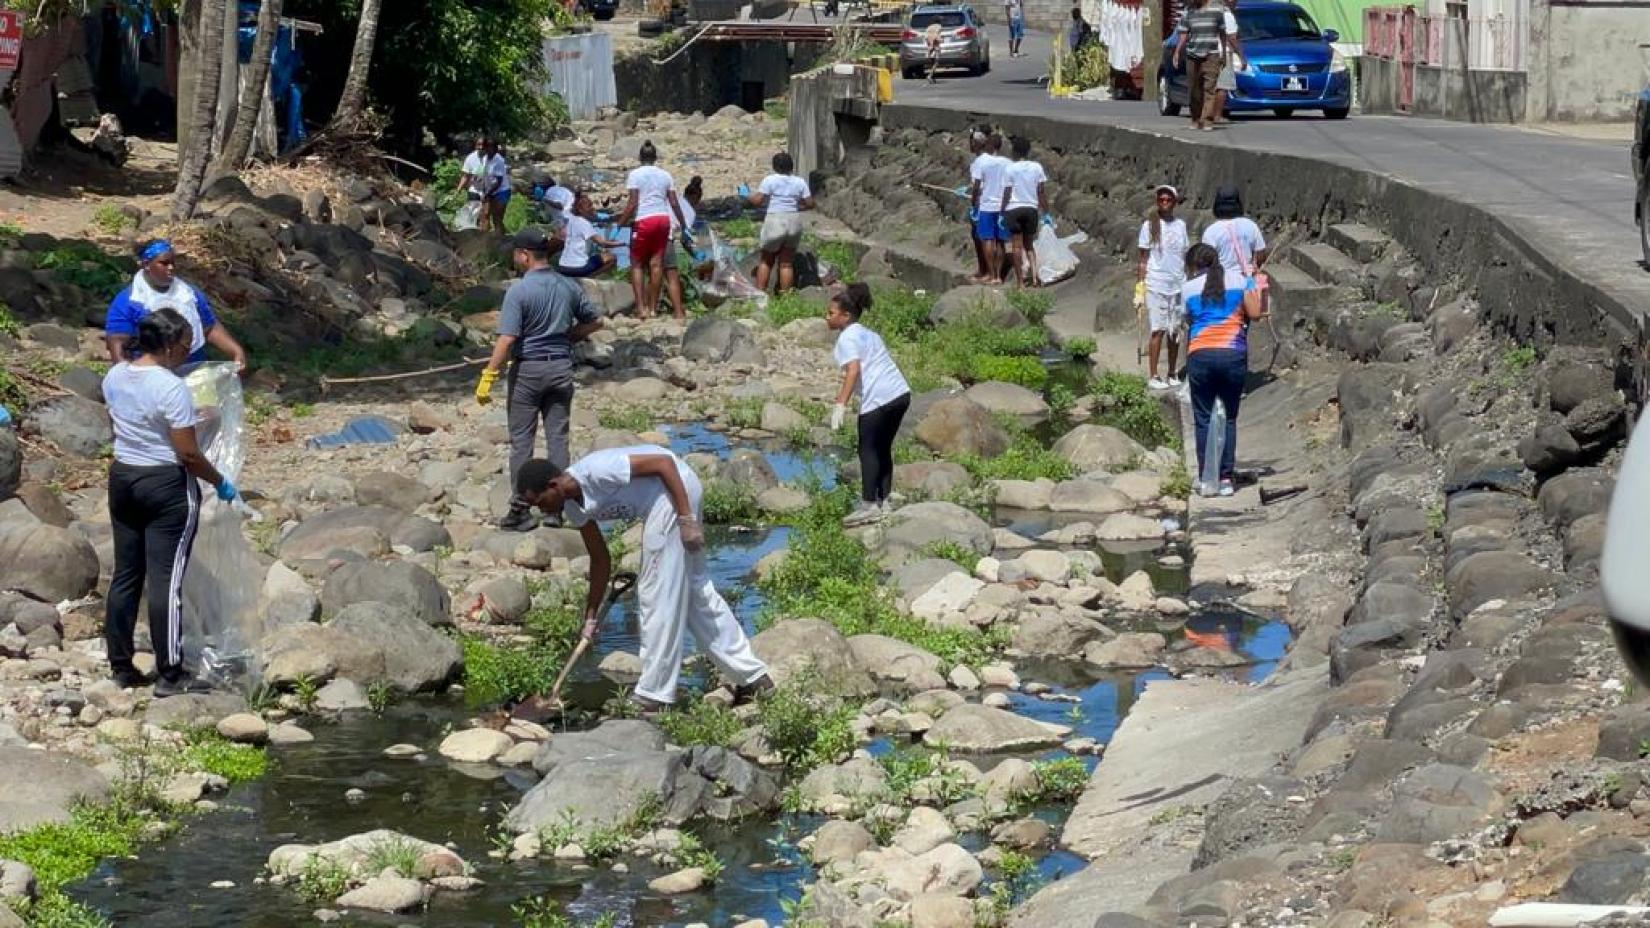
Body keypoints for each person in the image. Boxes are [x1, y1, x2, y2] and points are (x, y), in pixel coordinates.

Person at [515, 449, 773, 713]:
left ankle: (654, 693)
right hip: (665, 501)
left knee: (656, 591)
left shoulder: (596, 471)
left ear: (553, 486)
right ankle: (753, 678)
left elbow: (664, 463)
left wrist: (686, 519)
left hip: (673, 492)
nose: (539, 509)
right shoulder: (571, 505)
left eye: (539, 501)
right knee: (696, 593)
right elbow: (600, 558)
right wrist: (590, 615)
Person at [103, 308, 241, 696]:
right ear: (166, 345)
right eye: (184, 344)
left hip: (124, 477)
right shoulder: (171, 387)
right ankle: (171, 674)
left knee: (127, 573)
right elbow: (188, 454)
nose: (187, 351)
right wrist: (221, 482)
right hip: (165, 485)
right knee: (167, 578)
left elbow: (124, 423)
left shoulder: (115, 375)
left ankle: (121, 665)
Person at [476, 228, 605, 532]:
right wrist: (566, 337)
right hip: (560, 368)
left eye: (515, 253)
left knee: (522, 442)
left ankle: (520, 510)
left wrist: (488, 374)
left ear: (523, 255)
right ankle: (555, 508)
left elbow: (507, 338)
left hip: (528, 371)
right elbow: (596, 320)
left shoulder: (519, 291)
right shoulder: (567, 285)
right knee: (558, 439)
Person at [1182, 242, 1263, 497]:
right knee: (1228, 417)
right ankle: (1226, 478)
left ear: (1193, 266)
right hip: (1233, 355)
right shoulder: (1241, 281)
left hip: (1200, 354)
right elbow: (1256, 313)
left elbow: (1187, 319)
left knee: (1203, 418)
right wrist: (1252, 283)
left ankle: (1207, 478)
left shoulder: (1187, 288)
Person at [827, 283, 912, 527]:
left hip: (879, 397)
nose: (827, 317)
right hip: (900, 394)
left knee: (867, 449)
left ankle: (868, 506)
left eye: (831, 313)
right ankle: (884, 501)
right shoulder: (869, 334)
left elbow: (853, 371)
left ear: (846, 316)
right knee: (883, 447)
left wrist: (840, 404)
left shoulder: (847, 338)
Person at [106, 239, 247, 375]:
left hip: (194, 370)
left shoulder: (189, 294)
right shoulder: (128, 302)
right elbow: (117, 341)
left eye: (173, 263)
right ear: (146, 264)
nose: (171, 268)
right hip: (152, 376)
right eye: (164, 263)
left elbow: (209, 326)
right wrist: (128, 377)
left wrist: (235, 351)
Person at [617, 141, 690, 321]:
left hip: (644, 220)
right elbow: (673, 202)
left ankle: (641, 308)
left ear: (640, 158)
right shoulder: (666, 175)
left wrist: (620, 223)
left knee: (636, 263)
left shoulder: (635, 174)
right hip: (663, 220)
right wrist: (684, 224)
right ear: (655, 158)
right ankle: (653, 308)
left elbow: (633, 202)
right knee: (657, 264)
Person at [1136, 184, 1190, 389]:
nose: (1164, 202)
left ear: (1174, 202)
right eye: (1161, 199)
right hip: (1155, 283)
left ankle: (1172, 371)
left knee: (1174, 330)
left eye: (1168, 199)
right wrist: (1140, 286)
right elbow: (1143, 258)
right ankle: (1153, 375)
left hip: (1177, 283)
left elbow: (1184, 254)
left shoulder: (1181, 226)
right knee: (1157, 330)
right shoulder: (1149, 226)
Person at [746, 152, 814, 294]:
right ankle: (786, 297)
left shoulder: (770, 180)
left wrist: (746, 195)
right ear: (791, 166)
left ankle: (760, 294)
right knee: (786, 264)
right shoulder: (800, 182)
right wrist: (797, 206)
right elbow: (810, 203)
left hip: (775, 220)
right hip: (793, 221)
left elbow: (758, 201)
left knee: (766, 261)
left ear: (774, 166)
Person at [1172, 0, 1240, 131]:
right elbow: (1183, 33)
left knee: (1210, 88)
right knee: (1194, 89)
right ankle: (1196, 119)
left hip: (1211, 55)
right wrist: (1177, 51)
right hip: (1192, 55)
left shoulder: (1217, 10)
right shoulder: (1188, 11)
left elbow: (1222, 33)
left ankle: (1207, 120)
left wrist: (1224, 55)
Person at [997, 135, 1048, 288]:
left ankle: (1020, 282)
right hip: (1031, 209)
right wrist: (1046, 212)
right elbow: (1041, 192)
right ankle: (1034, 278)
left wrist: (1001, 211)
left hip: (1014, 209)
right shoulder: (1037, 167)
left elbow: (1007, 192)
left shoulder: (1010, 168)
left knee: (1016, 247)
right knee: (1030, 246)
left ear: (1014, 151)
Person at [659, 175, 703, 324]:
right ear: (697, 197)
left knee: (654, 270)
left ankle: (650, 306)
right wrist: (695, 253)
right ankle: (678, 311)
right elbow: (685, 239)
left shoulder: (675, 198)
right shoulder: (690, 212)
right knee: (672, 274)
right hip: (665, 237)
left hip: (650, 230)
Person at [969, 131, 1010, 284]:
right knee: (1000, 241)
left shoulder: (982, 163)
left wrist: (973, 203)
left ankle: (991, 274)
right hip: (1002, 206)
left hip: (986, 205)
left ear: (989, 145)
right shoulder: (1007, 163)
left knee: (987, 240)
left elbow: (977, 186)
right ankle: (999, 276)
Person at [557, 192, 622, 279]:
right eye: (589, 206)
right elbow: (603, 243)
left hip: (562, 266)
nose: (592, 208)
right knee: (612, 258)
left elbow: (561, 235)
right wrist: (623, 244)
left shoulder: (569, 220)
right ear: (580, 209)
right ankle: (590, 277)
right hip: (578, 268)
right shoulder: (584, 223)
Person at [460, 137, 491, 230]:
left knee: (485, 215)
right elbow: (465, 176)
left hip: (488, 190)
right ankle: (471, 231)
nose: (481, 147)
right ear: (475, 145)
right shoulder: (470, 158)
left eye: (483, 145)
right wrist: (458, 190)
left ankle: (484, 234)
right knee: (473, 212)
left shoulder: (491, 157)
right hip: (474, 189)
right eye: (479, 144)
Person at [485, 140, 513, 232]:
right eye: (488, 146)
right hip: (492, 191)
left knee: (497, 218)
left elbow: (499, 181)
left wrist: (488, 193)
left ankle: (501, 239)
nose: (489, 149)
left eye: (492, 147)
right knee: (489, 216)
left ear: (495, 149)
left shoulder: (498, 160)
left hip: (502, 191)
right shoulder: (485, 158)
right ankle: (493, 237)